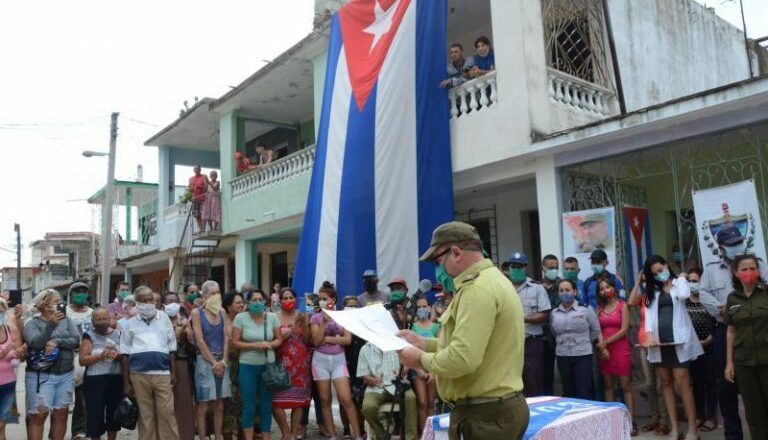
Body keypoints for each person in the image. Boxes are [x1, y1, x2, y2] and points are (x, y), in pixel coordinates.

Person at [398, 221, 529, 440]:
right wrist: (422, 342)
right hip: (495, 410)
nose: (439, 270)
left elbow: (462, 358)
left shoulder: (477, 289)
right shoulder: (494, 280)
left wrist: (420, 359)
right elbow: (472, 345)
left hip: (484, 417)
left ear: (456, 253)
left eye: (439, 261)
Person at [699, 226, 768, 440]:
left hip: (759, 330)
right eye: (731, 244)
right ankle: (733, 434)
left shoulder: (758, 265)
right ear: (721, 247)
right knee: (726, 386)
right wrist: (722, 308)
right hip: (726, 330)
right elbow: (702, 293)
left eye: (738, 242)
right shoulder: (711, 269)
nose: (736, 247)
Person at [639, 255, 702, 440]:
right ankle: (675, 428)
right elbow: (649, 316)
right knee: (665, 383)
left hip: (680, 342)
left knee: (683, 383)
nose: (659, 274)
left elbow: (684, 295)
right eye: (655, 273)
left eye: (661, 270)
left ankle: (692, 429)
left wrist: (681, 278)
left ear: (667, 266)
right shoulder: (653, 291)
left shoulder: (679, 284)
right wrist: (649, 333)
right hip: (660, 343)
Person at [119, 286, 180, 440]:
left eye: (150, 299)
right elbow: (124, 353)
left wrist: (173, 372)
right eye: (144, 300)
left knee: (167, 413)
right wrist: (126, 382)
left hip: (162, 374)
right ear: (136, 303)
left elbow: (172, 346)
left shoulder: (164, 318)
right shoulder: (130, 323)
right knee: (146, 416)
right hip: (138, 375)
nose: (148, 303)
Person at [24, 288, 81, 440]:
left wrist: (57, 341)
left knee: (61, 415)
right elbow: (35, 344)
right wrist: (50, 325)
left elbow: (76, 340)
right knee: (38, 416)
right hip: (41, 376)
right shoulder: (32, 323)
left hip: (65, 375)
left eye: (60, 302)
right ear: (44, 304)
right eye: (56, 302)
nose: (60, 305)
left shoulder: (67, 320)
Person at [310, 283, 364, 440]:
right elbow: (316, 342)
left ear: (333, 300)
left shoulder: (342, 316)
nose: (321, 301)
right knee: (325, 399)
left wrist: (327, 338)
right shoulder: (316, 317)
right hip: (320, 361)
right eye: (319, 299)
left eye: (324, 298)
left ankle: (358, 435)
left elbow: (347, 339)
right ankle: (332, 435)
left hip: (339, 360)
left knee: (346, 399)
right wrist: (325, 324)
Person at [724, 254, 768, 439]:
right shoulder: (732, 299)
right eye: (744, 269)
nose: (749, 272)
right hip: (743, 362)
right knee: (753, 411)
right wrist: (729, 363)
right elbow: (731, 332)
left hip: (767, 358)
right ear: (736, 272)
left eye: (752, 268)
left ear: (758, 271)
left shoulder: (766, 293)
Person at [231, 290, 282, 440]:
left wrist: (269, 344)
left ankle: (266, 437)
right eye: (254, 299)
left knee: (266, 404)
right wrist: (255, 345)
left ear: (265, 302)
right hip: (248, 365)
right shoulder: (240, 318)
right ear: (247, 302)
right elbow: (235, 342)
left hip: (268, 366)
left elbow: (279, 339)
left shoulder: (272, 317)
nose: (258, 302)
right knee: (249, 405)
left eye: (260, 299)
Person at [628, 273, 670, 436]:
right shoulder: (645, 297)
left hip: (660, 344)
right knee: (650, 383)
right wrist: (638, 282)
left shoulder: (663, 296)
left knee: (662, 384)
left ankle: (664, 421)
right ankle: (654, 418)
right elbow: (631, 302)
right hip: (644, 343)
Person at [191, 280, 232, 440]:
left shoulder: (222, 312)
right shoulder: (197, 313)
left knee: (219, 404)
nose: (216, 296)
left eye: (218, 292)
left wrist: (223, 360)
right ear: (205, 295)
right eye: (212, 293)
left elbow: (227, 338)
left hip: (222, 360)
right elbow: (200, 341)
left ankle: (217, 437)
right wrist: (214, 363)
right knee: (204, 404)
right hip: (204, 361)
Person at [596, 277, 637, 435]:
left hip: (620, 349)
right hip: (605, 351)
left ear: (614, 287)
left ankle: (630, 422)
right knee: (608, 386)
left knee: (625, 385)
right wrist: (602, 347)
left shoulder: (623, 306)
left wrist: (605, 343)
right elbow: (597, 329)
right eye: (601, 288)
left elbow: (624, 330)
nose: (605, 290)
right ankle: (611, 422)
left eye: (607, 287)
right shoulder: (599, 308)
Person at [550, 279, 602, 400]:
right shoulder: (554, 312)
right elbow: (554, 332)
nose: (564, 293)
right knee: (568, 390)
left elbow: (595, 331)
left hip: (582, 354)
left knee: (584, 390)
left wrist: (583, 341)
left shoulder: (585, 309)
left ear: (574, 291)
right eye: (561, 290)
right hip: (563, 355)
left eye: (567, 290)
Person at [507, 252, 551, 397]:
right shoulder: (503, 288)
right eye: (513, 266)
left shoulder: (537, 288)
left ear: (525, 267)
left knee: (533, 381)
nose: (515, 269)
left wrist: (523, 319)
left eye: (519, 266)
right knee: (512, 383)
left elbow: (544, 314)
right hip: (509, 344)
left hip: (531, 343)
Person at [272, 288, 312, 440]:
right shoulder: (273, 317)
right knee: (275, 403)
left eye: (291, 297)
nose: (288, 301)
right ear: (280, 301)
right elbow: (271, 339)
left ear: (296, 299)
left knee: (298, 402)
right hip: (280, 364)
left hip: (301, 364)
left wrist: (305, 322)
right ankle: (285, 432)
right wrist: (285, 335)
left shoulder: (301, 315)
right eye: (285, 298)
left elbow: (308, 340)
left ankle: (293, 434)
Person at [357, 341, 417, 440]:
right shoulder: (365, 349)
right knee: (368, 407)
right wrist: (371, 380)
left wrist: (402, 371)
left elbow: (408, 364)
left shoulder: (397, 346)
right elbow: (364, 376)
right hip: (375, 388)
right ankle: (382, 435)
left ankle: (411, 438)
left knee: (410, 397)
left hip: (397, 385)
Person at [78, 307, 122, 440]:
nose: (101, 322)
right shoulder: (88, 336)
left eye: (104, 318)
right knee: (95, 415)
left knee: (114, 414)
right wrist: (100, 356)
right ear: (92, 321)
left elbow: (126, 356)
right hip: (94, 380)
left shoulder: (118, 334)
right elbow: (82, 360)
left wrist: (117, 356)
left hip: (115, 378)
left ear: (109, 319)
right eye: (98, 319)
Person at [685, 268, 717, 433]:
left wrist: (709, 339)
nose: (693, 284)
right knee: (696, 384)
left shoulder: (707, 300)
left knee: (711, 383)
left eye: (696, 280)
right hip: (693, 350)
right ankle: (700, 416)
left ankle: (711, 417)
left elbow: (716, 322)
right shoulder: (684, 302)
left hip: (710, 347)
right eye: (690, 280)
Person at [165, 294, 195, 440]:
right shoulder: (159, 322)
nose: (171, 304)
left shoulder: (184, 321)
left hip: (182, 365)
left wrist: (186, 336)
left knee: (183, 403)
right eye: (169, 301)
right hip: (163, 367)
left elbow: (193, 346)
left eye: (174, 301)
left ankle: (185, 435)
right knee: (166, 405)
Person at [67, 282, 93, 440]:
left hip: (86, 358)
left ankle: (79, 430)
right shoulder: (64, 311)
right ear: (71, 294)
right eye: (77, 291)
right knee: (62, 401)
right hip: (66, 359)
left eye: (84, 291)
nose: (81, 294)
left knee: (82, 398)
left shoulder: (92, 312)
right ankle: (55, 432)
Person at [339, 296, 366, 440]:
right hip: (343, 365)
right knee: (345, 400)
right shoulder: (339, 323)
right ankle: (346, 429)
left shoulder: (364, 324)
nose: (353, 309)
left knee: (360, 399)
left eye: (355, 306)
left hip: (361, 367)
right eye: (349, 306)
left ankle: (361, 428)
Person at [410, 297, 438, 434]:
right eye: (419, 307)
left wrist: (434, 372)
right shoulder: (413, 327)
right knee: (422, 402)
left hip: (433, 368)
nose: (422, 309)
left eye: (424, 306)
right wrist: (419, 369)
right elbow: (411, 351)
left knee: (431, 402)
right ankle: (424, 434)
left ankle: (431, 433)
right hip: (418, 368)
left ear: (429, 307)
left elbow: (441, 349)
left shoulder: (436, 326)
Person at [221, 291, 245, 440]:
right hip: (227, 366)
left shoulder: (246, 320)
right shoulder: (222, 322)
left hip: (244, 365)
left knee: (244, 403)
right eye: (238, 302)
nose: (242, 304)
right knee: (227, 404)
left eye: (242, 302)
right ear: (229, 306)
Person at [0, 299, 22, 440]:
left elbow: (19, 350)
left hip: (8, 384)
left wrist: (18, 352)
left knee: (2, 425)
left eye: (1, 310)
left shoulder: (10, 329)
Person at [539, 254, 561, 396]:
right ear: (543, 268)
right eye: (551, 267)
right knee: (542, 374)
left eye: (556, 267)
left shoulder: (563, 286)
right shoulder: (537, 287)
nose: (554, 270)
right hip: (541, 336)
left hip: (559, 335)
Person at [188, 164, 210, 233]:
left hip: (203, 198)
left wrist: (199, 187)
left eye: (197, 169)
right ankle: (200, 229)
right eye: (195, 169)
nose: (196, 170)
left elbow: (206, 188)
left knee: (203, 214)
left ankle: (203, 228)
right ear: (193, 170)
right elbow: (189, 189)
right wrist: (190, 189)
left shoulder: (204, 176)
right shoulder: (191, 179)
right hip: (195, 199)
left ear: (200, 169)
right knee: (197, 215)